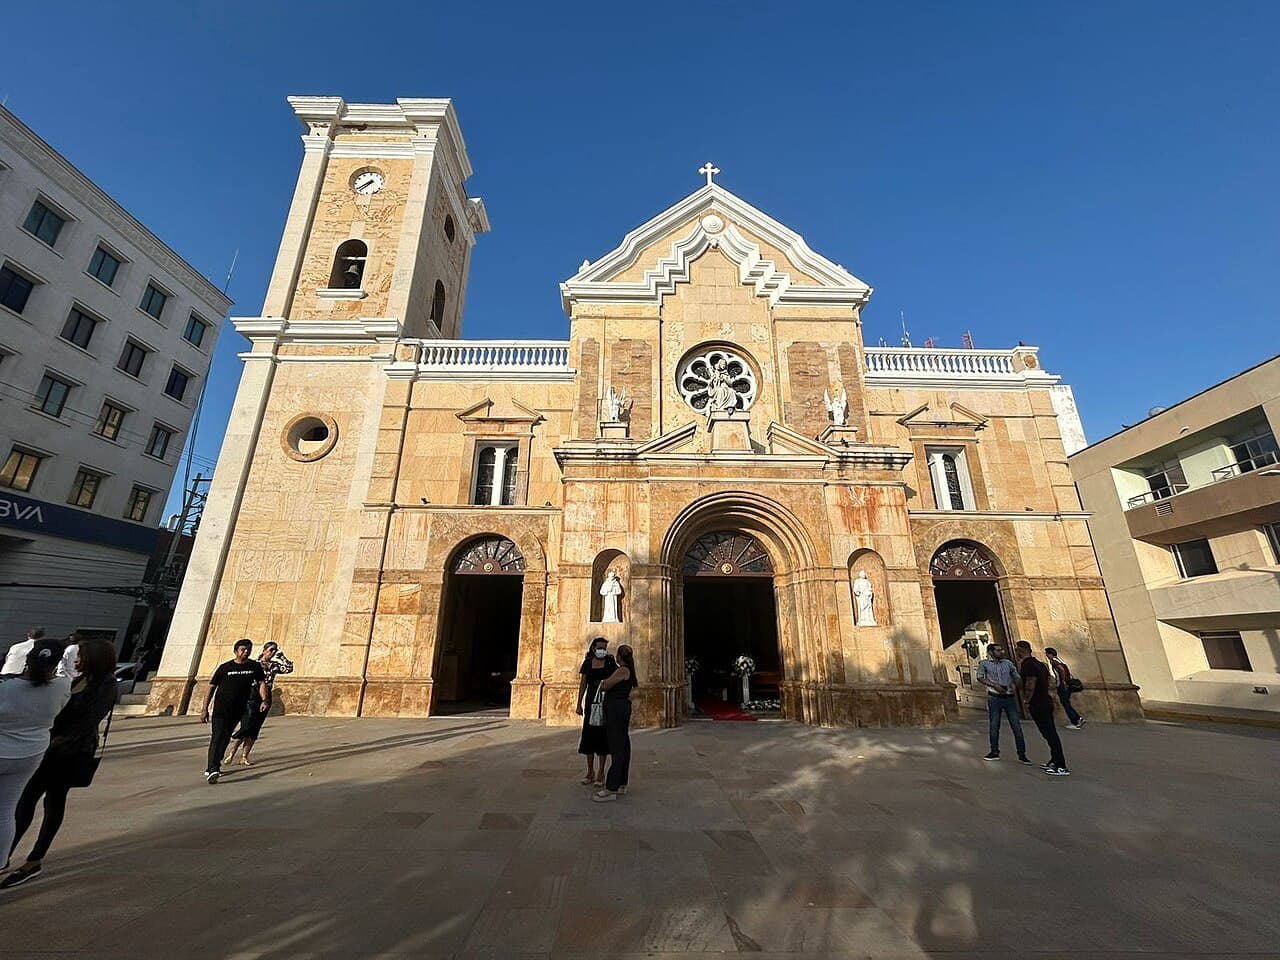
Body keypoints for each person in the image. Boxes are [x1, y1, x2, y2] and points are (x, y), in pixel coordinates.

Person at [2, 638, 118, 888]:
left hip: (69, 753)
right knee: (24, 803)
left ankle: (34, 859)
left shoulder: (106, 685)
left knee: (53, 802)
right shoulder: (75, 680)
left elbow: (86, 723)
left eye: (81, 655)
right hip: (47, 749)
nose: (76, 659)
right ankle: (5, 855)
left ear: (94, 658)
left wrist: (52, 739)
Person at [0, 639, 71, 873]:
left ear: (28, 658)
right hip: (31, 753)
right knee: (6, 810)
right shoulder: (62, 687)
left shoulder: (6, 687)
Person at [200, 640, 267, 784]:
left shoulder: (254, 667)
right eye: (243, 649)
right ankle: (213, 769)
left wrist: (264, 700)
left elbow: (261, 683)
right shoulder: (225, 668)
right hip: (221, 709)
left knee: (225, 738)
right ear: (235, 651)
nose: (246, 652)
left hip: (239, 709)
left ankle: (214, 763)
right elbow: (211, 687)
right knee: (217, 737)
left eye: (248, 649)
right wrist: (204, 709)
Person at [225, 642, 293, 766]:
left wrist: (282, 657)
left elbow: (288, 668)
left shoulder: (273, 665)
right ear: (264, 650)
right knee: (247, 724)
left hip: (266, 697)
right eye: (270, 650)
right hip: (252, 695)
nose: (272, 653)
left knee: (255, 727)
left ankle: (244, 756)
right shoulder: (254, 664)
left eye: (274, 651)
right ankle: (232, 753)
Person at [1015, 641, 1069, 776]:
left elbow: (1030, 684)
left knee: (1050, 734)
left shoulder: (1028, 665)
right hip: (1046, 700)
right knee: (1048, 733)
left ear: (1021, 650)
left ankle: (1060, 765)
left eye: (1017, 651)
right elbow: (1049, 681)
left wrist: (1026, 700)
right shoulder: (1041, 664)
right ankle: (1054, 760)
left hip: (1038, 703)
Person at [592, 644, 637, 803]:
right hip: (621, 709)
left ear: (620, 656)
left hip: (616, 711)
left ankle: (611, 788)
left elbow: (605, 685)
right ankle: (622, 783)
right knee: (623, 745)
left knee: (617, 746)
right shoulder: (628, 670)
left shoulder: (622, 670)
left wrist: (605, 681)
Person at [976, 642, 1030, 764]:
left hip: (1009, 697)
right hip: (994, 697)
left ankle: (1022, 754)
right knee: (994, 725)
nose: (1002, 652)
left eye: (1001, 650)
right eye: (998, 650)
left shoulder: (1008, 663)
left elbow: (1016, 676)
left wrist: (1018, 683)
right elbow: (980, 677)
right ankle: (994, 751)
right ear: (991, 652)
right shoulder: (984, 664)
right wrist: (994, 685)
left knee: (1016, 726)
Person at [575, 638, 615, 786]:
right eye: (600, 647)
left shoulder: (610, 663)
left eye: (604, 648)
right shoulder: (588, 662)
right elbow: (583, 683)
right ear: (593, 648)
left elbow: (616, 680)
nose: (602, 650)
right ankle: (590, 771)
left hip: (605, 702)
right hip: (591, 702)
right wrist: (578, 703)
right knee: (589, 735)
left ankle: (601, 772)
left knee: (603, 736)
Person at [1045, 647, 1085, 729]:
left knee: (1065, 703)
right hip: (1067, 684)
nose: (1046, 656)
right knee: (1066, 703)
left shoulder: (1054, 662)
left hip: (1062, 685)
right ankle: (1077, 718)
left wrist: (1063, 681)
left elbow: (1061, 670)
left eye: (1047, 654)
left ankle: (1076, 720)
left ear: (1050, 654)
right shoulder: (1060, 660)